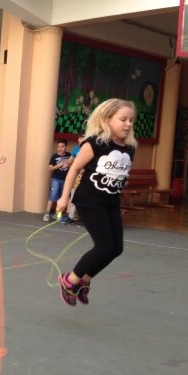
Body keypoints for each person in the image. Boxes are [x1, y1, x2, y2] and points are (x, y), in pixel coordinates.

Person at [56, 99, 137, 306]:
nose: (128, 124)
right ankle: (69, 280)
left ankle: (84, 281)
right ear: (107, 119)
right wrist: (64, 197)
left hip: (110, 202)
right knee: (104, 246)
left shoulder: (129, 148)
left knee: (116, 248)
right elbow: (74, 169)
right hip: (89, 201)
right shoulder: (95, 143)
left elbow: (119, 172)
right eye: (123, 119)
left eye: (131, 120)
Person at [42, 138, 71, 223]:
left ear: (66, 147)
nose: (60, 148)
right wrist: (60, 165)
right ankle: (47, 213)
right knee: (53, 194)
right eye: (58, 147)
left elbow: (73, 164)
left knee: (63, 197)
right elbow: (50, 168)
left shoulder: (69, 155)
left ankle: (58, 214)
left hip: (66, 180)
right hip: (56, 178)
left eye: (62, 146)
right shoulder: (54, 156)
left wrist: (68, 164)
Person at [67, 132, 86, 223]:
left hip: (87, 176)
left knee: (85, 196)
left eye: (82, 138)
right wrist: (67, 163)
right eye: (79, 138)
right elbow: (71, 159)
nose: (79, 139)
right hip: (77, 176)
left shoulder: (90, 149)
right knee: (74, 194)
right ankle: (70, 217)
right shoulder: (76, 149)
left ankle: (84, 217)